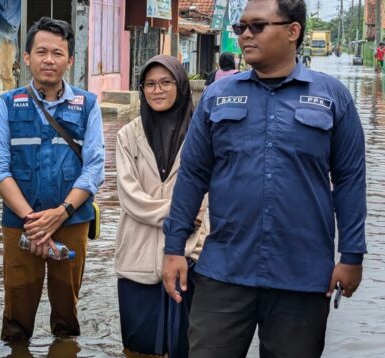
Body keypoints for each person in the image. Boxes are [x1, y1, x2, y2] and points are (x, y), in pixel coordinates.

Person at [162, 0, 367, 356]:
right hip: (224, 269)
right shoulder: (217, 96)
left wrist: (351, 256)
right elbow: (193, 174)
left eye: (257, 26)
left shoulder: (332, 97)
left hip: (302, 275)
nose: (244, 36)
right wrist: (173, 248)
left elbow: (349, 179)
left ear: (292, 31)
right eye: (241, 27)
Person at [0, 17, 105, 341]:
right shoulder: (8, 105)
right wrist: (34, 222)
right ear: (27, 58)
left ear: (70, 60)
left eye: (57, 53)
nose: (48, 60)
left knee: (67, 313)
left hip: (72, 220)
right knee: (17, 316)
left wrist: (60, 214)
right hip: (21, 225)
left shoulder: (88, 105)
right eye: (41, 52)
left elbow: (95, 168)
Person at [114, 54, 209, 357]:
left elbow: (210, 193)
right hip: (137, 256)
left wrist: (189, 219)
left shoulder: (203, 133)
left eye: (166, 82)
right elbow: (130, 196)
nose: (157, 90)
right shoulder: (128, 135)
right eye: (150, 84)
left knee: (187, 345)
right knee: (139, 346)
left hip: (189, 253)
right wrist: (178, 211)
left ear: (180, 86)